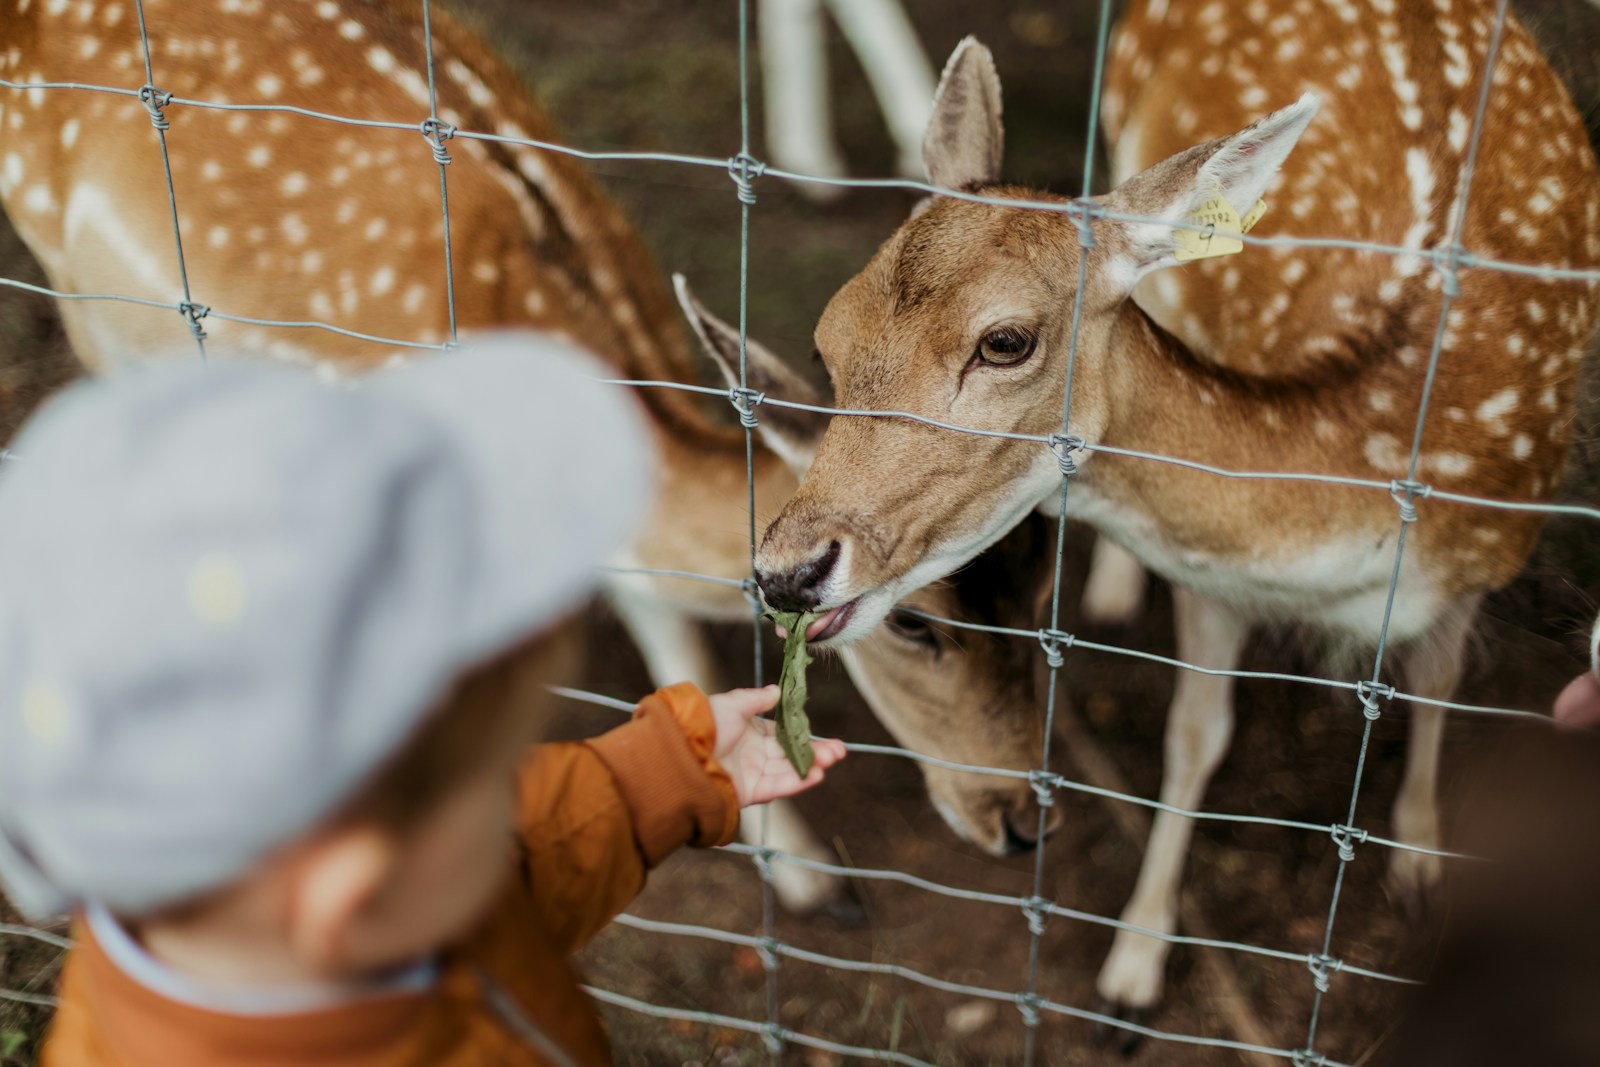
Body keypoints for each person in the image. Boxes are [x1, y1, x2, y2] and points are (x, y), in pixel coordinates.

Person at [0, 333, 845, 1066]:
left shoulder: (254, 900)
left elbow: (521, 857)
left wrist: (650, 778)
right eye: (493, 781)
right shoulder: (399, 915)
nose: (513, 792)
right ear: (355, 896)